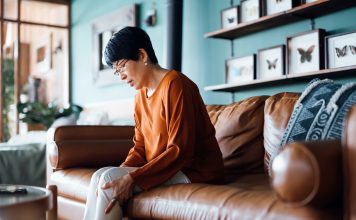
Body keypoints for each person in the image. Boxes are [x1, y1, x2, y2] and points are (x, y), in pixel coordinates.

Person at [83, 26, 224, 220]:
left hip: (196, 171)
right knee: (101, 176)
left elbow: (180, 150)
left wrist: (131, 178)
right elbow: (140, 147)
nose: (121, 76)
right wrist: (122, 172)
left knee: (109, 179)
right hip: (168, 169)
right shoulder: (140, 96)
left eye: (122, 66)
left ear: (142, 55)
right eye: (116, 71)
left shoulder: (176, 85)